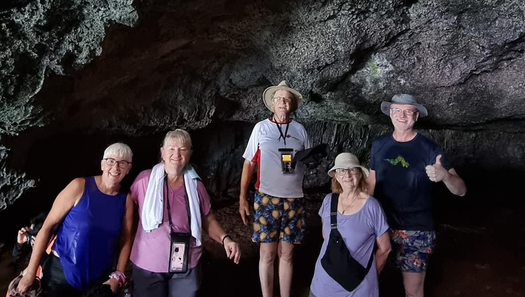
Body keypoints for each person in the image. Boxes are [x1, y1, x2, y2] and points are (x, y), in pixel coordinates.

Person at [367, 94, 467, 297]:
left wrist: (445, 176)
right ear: (390, 114)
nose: (401, 115)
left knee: (412, 290)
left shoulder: (430, 149)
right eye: (397, 110)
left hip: (417, 229)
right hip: (382, 224)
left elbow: (461, 190)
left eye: (408, 111)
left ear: (417, 116)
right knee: (371, 281)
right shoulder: (379, 145)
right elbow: (371, 182)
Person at [130, 129, 241, 297]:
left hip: (187, 263)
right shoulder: (144, 180)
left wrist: (225, 239)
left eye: (183, 149)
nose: (177, 153)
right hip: (148, 265)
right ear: (162, 152)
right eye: (172, 148)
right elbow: (128, 214)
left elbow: (207, 219)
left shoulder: (196, 185)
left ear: (190, 154)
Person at [17, 143, 136, 297]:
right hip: (60, 275)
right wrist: (30, 273)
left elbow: (126, 240)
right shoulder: (79, 186)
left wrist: (118, 275)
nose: (116, 167)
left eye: (123, 163)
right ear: (102, 164)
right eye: (111, 161)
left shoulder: (126, 200)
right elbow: (47, 227)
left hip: (98, 280)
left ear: (128, 169)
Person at [239, 81, 311, 297]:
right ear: (271, 103)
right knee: (267, 254)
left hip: (294, 199)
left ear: (292, 105)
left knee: (287, 254)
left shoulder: (300, 130)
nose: (282, 102)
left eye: (286, 99)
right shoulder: (261, 128)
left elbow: (308, 159)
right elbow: (249, 163)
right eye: (278, 98)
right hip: (266, 199)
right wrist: (242, 197)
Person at [310, 153, 391, 297]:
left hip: (358, 290)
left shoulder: (372, 206)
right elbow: (326, 235)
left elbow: (385, 249)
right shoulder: (329, 201)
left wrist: (367, 277)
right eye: (341, 170)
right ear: (335, 175)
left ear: (360, 174)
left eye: (352, 169)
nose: (347, 175)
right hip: (323, 285)